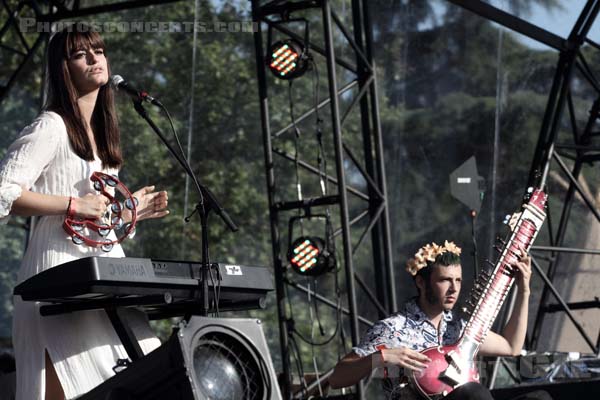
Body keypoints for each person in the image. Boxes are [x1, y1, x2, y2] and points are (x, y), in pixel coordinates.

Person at [0, 23, 169, 400]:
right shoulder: (51, 126)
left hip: (106, 275)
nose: (95, 58)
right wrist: (74, 203)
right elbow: (3, 194)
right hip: (57, 277)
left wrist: (129, 213)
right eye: (80, 54)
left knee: (142, 377)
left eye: (98, 50)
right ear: (64, 69)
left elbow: (95, 217)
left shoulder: (103, 140)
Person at [329, 241, 532, 399]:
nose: (454, 288)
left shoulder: (460, 328)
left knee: (539, 398)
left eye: (458, 280)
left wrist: (524, 290)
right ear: (421, 282)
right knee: (473, 393)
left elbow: (511, 346)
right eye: (444, 280)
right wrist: (380, 357)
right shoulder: (393, 328)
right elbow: (337, 378)